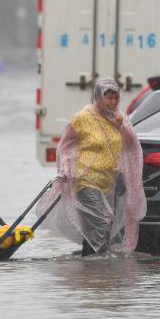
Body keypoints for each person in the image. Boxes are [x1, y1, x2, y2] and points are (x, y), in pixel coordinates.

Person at [36, 78, 146, 256]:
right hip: (85, 180)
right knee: (103, 219)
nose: (112, 102)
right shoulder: (82, 117)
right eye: (108, 98)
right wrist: (65, 168)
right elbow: (64, 146)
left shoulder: (120, 119)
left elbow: (133, 145)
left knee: (96, 228)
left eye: (115, 98)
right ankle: (101, 264)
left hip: (108, 181)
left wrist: (121, 126)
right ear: (98, 97)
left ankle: (91, 269)